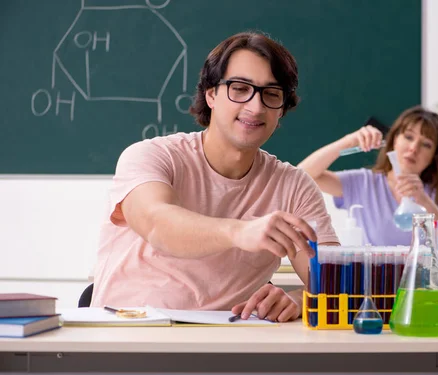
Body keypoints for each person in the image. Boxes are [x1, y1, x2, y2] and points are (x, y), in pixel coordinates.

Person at [91, 32, 339, 322]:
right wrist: (239, 232)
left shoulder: (293, 186)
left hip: (227, 344)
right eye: (239, 88)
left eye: (271, 94)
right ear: (211, 94)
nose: (255, 107)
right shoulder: (152, 156)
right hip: (128, 336)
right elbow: (158, 224)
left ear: (281, 109)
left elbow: (335, 278)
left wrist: (302, 299)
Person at [298, 106, 438, 246]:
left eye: (426, 144)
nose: (414, 148)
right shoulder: (364, 182)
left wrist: (423, 200)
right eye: (408, 137)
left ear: (434, 155)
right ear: (393, 140)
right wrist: (348, 141)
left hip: (422, 278)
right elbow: (301, 176)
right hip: (372, 276)